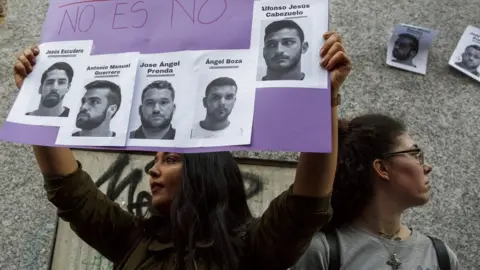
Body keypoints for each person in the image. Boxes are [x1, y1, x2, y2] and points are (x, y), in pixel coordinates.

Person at [13, 31, 351, 269]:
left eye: (170, 160)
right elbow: (71, 192)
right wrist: (33, 94)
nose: (153, 170)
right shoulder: (131, 239)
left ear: (207, 171)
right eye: (156, 160)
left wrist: (325, 100)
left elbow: (308, 203)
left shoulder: (253, 246)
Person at [291, 114, 460, 270]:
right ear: (382, 168)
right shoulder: (324, 251)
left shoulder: (441, 256)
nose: (427, 167)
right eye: (415, 154)